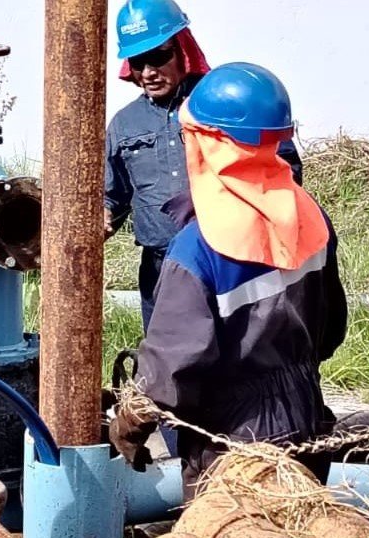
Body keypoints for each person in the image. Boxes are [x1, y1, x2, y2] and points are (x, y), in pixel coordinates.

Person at [109, 62, 348, 499]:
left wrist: (128, 423)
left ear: (207, 142)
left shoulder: (197, 248)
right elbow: (331, 332)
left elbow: (167, 375)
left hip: (233, 441)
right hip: (307, 416)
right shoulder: (310, 217)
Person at [105, 0, 305, 332]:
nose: (149, 72)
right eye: (138, 62)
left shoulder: (228, 101)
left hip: (233, 263)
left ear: (182, 48)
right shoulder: (124, 125)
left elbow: (286, 170)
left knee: (237, 360)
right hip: (162, 269)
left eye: (158, 56)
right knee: (168, 363)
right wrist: (102, 216)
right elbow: (112, 196)